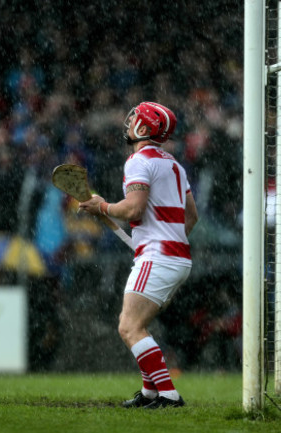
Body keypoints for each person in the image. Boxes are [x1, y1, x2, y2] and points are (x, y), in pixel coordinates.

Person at [79, 102, 198, 409]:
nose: (127, 121)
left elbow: (133, 209)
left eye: (133, 118)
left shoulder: (137, 160)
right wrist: (166, 238)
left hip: (157, 258)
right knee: (136, 324)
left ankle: (169, 395)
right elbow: (192, 217)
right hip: (178, 258)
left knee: (129, 327)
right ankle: (149, 393)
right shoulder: (174, 164)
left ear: (143, 129)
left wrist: (101, 206)